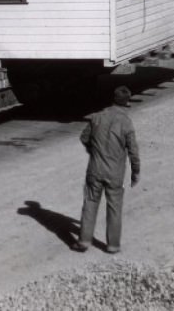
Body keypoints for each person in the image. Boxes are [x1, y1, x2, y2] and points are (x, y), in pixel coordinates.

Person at [73, 85, 140, 254]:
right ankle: (113, 245)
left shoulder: (97, 117)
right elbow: (133, 151)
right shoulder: (126, 122)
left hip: (95, 169)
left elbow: (84, 137)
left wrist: (93, 150)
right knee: (114, 207)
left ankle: (84, 241)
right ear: (126, 103)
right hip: (115, 173)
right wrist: (135, 172)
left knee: (90, 202)